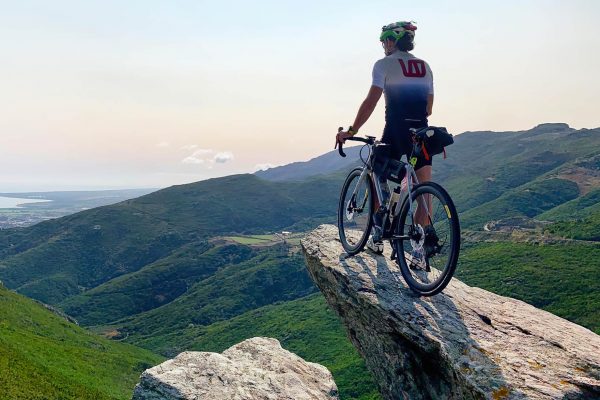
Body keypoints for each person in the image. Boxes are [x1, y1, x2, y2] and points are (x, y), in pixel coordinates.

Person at [336, 21, 434, 255]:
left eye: (383, 41)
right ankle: (419, 251)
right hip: (421, 133)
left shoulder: (383, 65)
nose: (383, 46)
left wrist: (351, 130)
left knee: (377, 171)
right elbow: (429, 108)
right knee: (424, 190)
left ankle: (378, 236)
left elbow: (371, 102)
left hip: (396, 130)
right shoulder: (425, 66)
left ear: (391, 41)